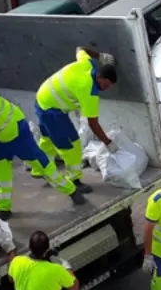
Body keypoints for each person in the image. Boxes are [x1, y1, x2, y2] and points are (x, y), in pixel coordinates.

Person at [0, 82, 84, 220]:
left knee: (43, 167)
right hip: (0, 140)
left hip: (18, 134)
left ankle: (72, 190)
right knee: (0, 175)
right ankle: (3, 207)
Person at [33, 47, 119, 192]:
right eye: (105, 85)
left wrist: (100, 56)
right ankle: (74, 180)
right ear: (99, 77)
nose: (106, 89)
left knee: (48, 138)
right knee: (71, 146)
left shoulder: (88, 63)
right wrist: (108, 142)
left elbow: (80, 48)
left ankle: (39, 169)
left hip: (41, 98)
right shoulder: (89, 91)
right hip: (52, 111)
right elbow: (93, 124)